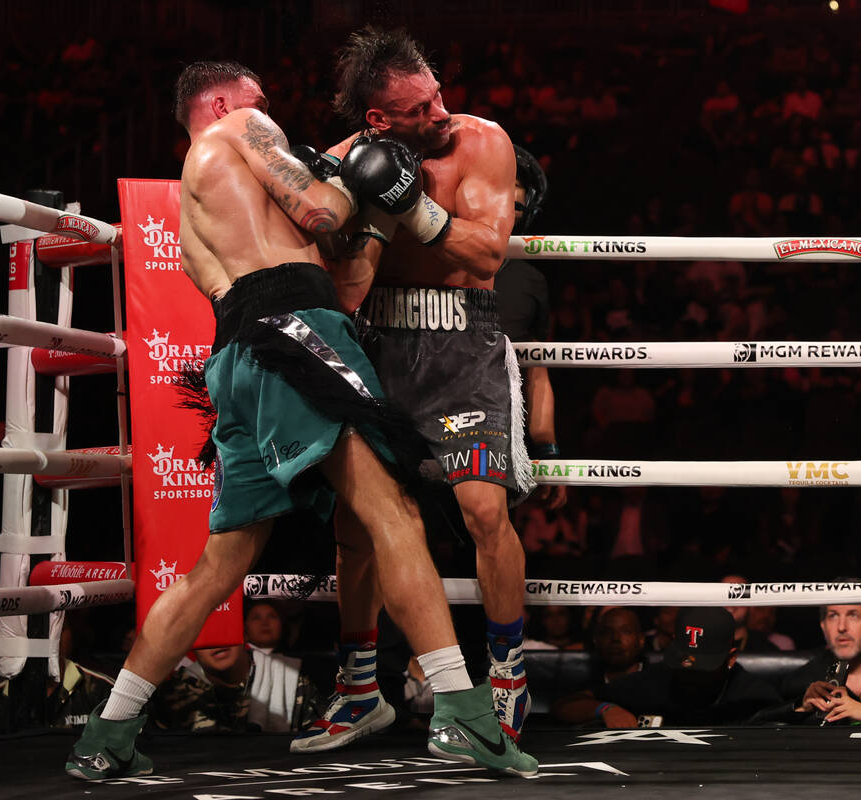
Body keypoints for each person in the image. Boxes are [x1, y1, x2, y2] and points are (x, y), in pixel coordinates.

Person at [65, 60, 535, 780]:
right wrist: (370, 190)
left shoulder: (196, 209)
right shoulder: (242, 125)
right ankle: (465, 712)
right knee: (394, 515)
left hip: (236, 355)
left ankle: (109, 729)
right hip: (295, 331)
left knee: (219, 566)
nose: (271, 112)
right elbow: (320, 213)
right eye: (261, 100)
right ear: (221, 101)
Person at [313, 26, 534, 747]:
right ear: (378, 120)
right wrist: (373, 207)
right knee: (359, 524)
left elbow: (488, 248)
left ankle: (506, 680)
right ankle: (357, 687)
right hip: (379, 342)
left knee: (482, 512)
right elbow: (342, 289)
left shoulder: (483, 143)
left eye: (438, 94)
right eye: (420, 109)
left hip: (463, 340)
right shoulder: (346, 163)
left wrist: (413, 205)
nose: (441, 113)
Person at [550, 607, 780, 726]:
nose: (690, 674)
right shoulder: (657, 680)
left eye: (701, 669)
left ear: (730, 659)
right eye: (684, 664)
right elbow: (565, 705)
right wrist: (605, 709)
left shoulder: (753, 695)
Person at [494, 145, 567, 512]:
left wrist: (547, 451)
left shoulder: (529, 278)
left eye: (516, 208)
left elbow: (538, 367)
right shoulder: (433, 259)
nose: (505, 214)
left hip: (499, 432)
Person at [152, 644, 321, 733]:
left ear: (243, 633)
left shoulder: (292, 681)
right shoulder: (173, 692)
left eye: (225, 629)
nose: (218, 641)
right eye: (206, 633)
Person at [780, 603, 861, 706]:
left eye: (853, 615)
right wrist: (802, 709)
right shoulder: (800, 683)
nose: (841, 627)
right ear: (823, 627)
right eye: (833, 616)